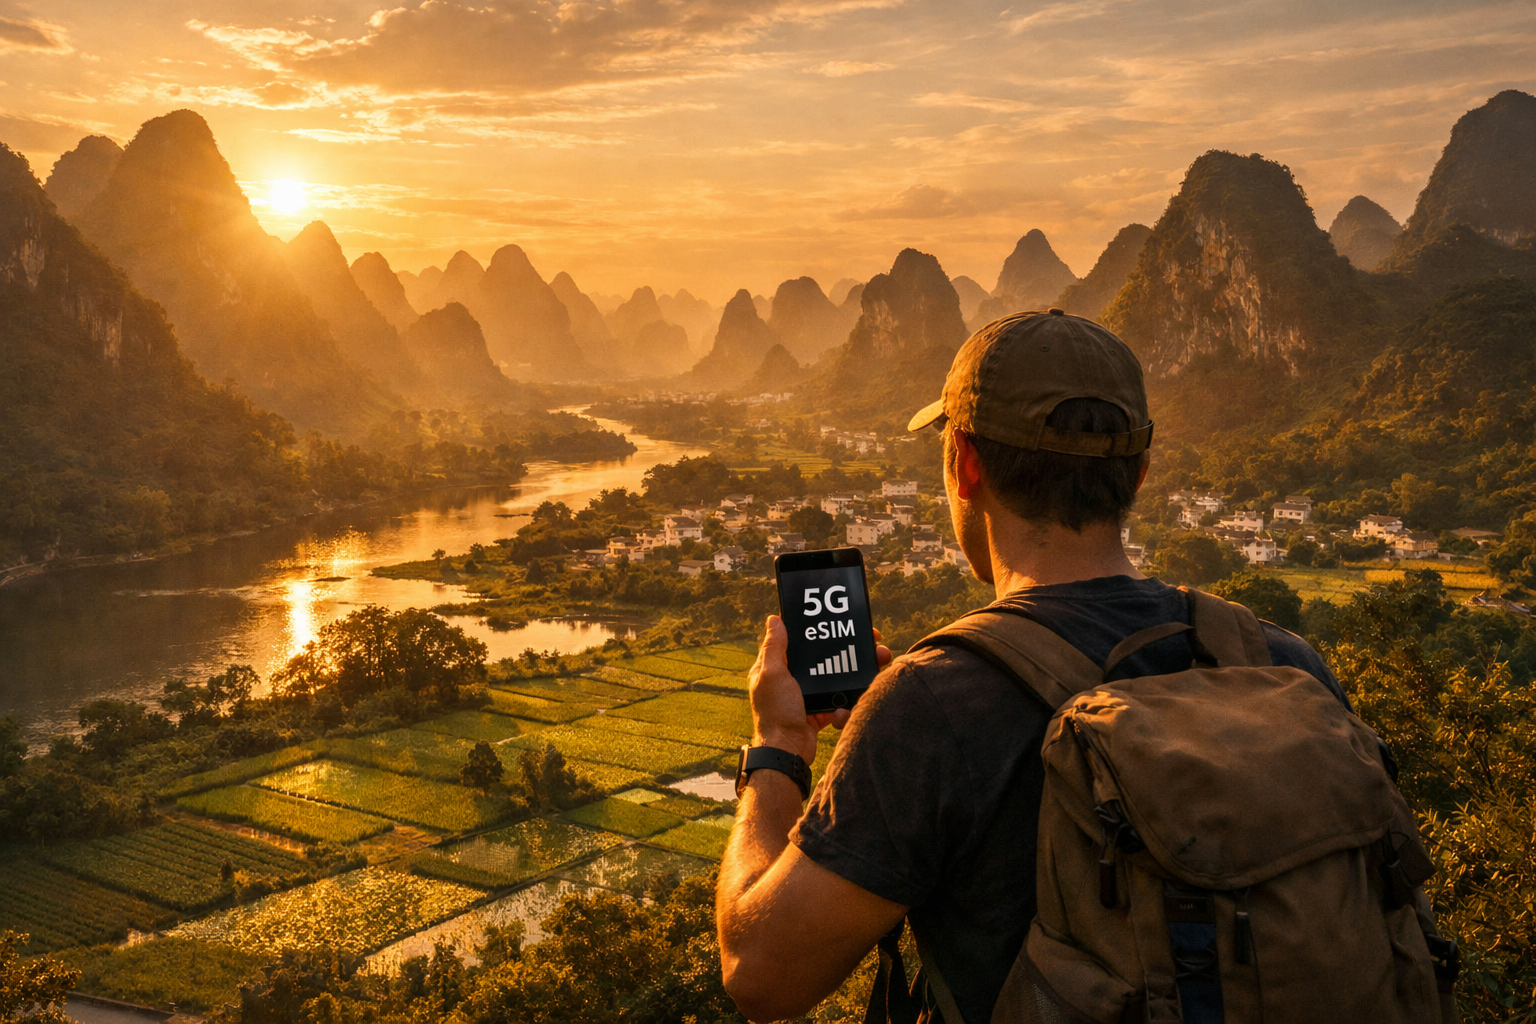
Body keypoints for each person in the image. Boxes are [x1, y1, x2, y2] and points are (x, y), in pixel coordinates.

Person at [715, 309, 1350, 1023]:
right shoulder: (1284, 662)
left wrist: (777, 750)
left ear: (964, 463)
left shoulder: (935, 703)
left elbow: (760, 976)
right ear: (1138, 471)